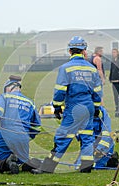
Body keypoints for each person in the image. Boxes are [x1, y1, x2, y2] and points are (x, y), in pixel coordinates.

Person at [32, 36, 102, 174]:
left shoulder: (66, 68)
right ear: (84, 51)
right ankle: (87, 166)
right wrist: (96, 108)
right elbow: (98, 92)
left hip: (74, 107)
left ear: (70, 51)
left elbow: (60, 90)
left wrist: (57, 107)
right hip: (88, 106)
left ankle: (47, 168)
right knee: (87, 136)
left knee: (62, 137)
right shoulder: (92, 69)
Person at [0, 75, 42, 175]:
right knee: (21, 161)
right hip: (23, 137)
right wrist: (27, 137)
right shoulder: (30, 102)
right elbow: (37, 127)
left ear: (9, 87)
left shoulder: (4, 97)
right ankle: (31, 164)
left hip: (6, 135)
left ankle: (6, 163)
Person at [109, 49, 119, 117]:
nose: (113, 53)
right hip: (114, 80)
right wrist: (110, 77)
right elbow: (111, 69)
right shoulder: (113, 60)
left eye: (114, 52)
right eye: (112, 52)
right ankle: (116, 108)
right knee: (115, 95)